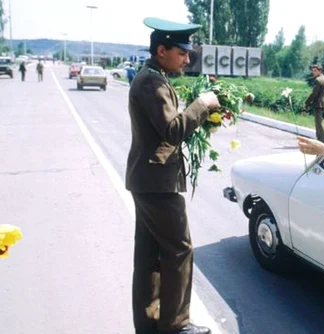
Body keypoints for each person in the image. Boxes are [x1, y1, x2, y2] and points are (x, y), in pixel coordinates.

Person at [125, 17, 220, 334]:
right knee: (179, 250)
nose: (188, 57)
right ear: (162, 49)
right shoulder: (152, 83)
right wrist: (203, 103)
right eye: (182, 51)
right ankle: (177, 325)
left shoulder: (152, 76)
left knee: (151, 256)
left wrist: (209, 116)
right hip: (157, 185)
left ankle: (149, 322)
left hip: (148, 181)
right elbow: (173, 129)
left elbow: (167, 127)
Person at [303, 64, 324, 143]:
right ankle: (320, 138)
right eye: (312, 71)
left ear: (320, 71)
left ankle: (322, 140)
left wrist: (306, 103)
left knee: (318, 122)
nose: (313, 72)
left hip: (318, 103)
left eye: (315, 71)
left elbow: (314, 94)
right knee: (319, 122)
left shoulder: (318, 80)